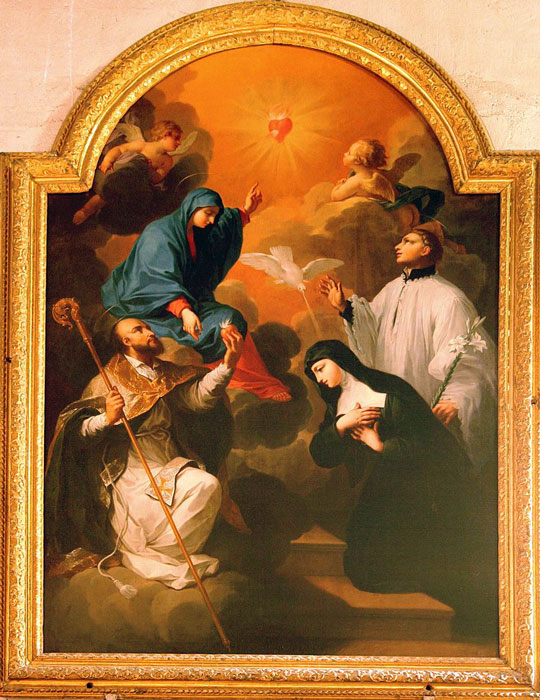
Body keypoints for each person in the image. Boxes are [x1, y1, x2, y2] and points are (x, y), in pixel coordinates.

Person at [304, 340, 497, 633]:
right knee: (363, 560)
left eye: (321, 368)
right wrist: (341, 426)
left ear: (338, 359)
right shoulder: (340, 403)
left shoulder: (390, 390)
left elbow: (429, 444)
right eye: (314, 375)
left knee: (426, 553)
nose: (319, 378)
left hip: (422, 486)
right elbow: (322, 455)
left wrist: (379, 445)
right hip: (383, 484)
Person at [45, 319, 243, 590]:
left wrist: (229, 363)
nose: (150, 332)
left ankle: (158, 557)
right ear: (125, 342)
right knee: (146, 519)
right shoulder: (107, 380)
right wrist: (107, 418)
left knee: (207, 486)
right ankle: (147, 554)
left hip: (168, 459)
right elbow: (76, 432)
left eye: (147, 327)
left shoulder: (166, 374)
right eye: (138, 330)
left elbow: (196, 398)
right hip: (128, 468)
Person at [319, 221, 496, 471]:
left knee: (422, 465)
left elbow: (468, 357)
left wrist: (455, 399)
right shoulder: (392, 289)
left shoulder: (449, 298)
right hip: (389, 406)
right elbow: (371, 327)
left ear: (426, 250)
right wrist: (344, 308)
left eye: (408, 241)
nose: (397, 246)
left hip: (423, 397)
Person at [101, 186, 291, 401]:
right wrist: (183, 311)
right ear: (192, 208)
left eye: (214, 215)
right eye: (208, 213)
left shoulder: (197, 230)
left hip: (188, 299)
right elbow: (154, 279)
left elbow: (220, 232)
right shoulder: (159, 235)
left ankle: (255, 381)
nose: (212, 220)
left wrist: (245, 211)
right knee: (207, 330)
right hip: (149, 305)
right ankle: (243, 381)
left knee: (231, 318)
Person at [72, 120, 183, 225]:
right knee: (107, 193)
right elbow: (120, 149)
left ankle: (104, 216)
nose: (179, 142)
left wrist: (149, 169)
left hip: (137, 184)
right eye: (176, 138)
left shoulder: (167, 160)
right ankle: (85, 211)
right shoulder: (142, 145)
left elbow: (157, 178)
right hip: (120, 174)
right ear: (165, 135)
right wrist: (107, 160)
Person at [330, 138, 444, 233]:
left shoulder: (356, 181)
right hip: (407, 208)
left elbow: (335, 197)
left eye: (349, 153)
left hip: (393, 215)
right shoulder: (381, 174)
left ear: (358, 161)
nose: (345, 154)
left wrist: (338, 186)